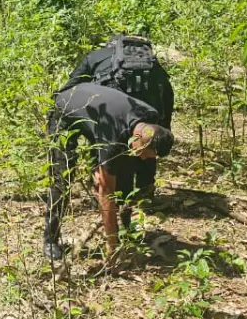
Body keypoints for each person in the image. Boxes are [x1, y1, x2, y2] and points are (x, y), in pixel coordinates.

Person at [43, 82, 174, 261]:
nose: (146, 158)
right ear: (137, 139)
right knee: (62, 177)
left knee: (125, 166)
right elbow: (106, 193)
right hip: (65, 109)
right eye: (146, 153)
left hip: (96, 111)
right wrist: (111, 244)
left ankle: (125, 227)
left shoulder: (151, 115)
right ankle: (50, 239)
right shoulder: (112, 139)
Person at [58, 33, 174, 208]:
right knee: (150, 144)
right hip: (149, 110)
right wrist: (165, 128)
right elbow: (167, 95)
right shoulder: (152, 64)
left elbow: (71, 86)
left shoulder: (97, 56)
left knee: (105, 149)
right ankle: (145, 193)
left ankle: (107, 195)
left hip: (109, 113)